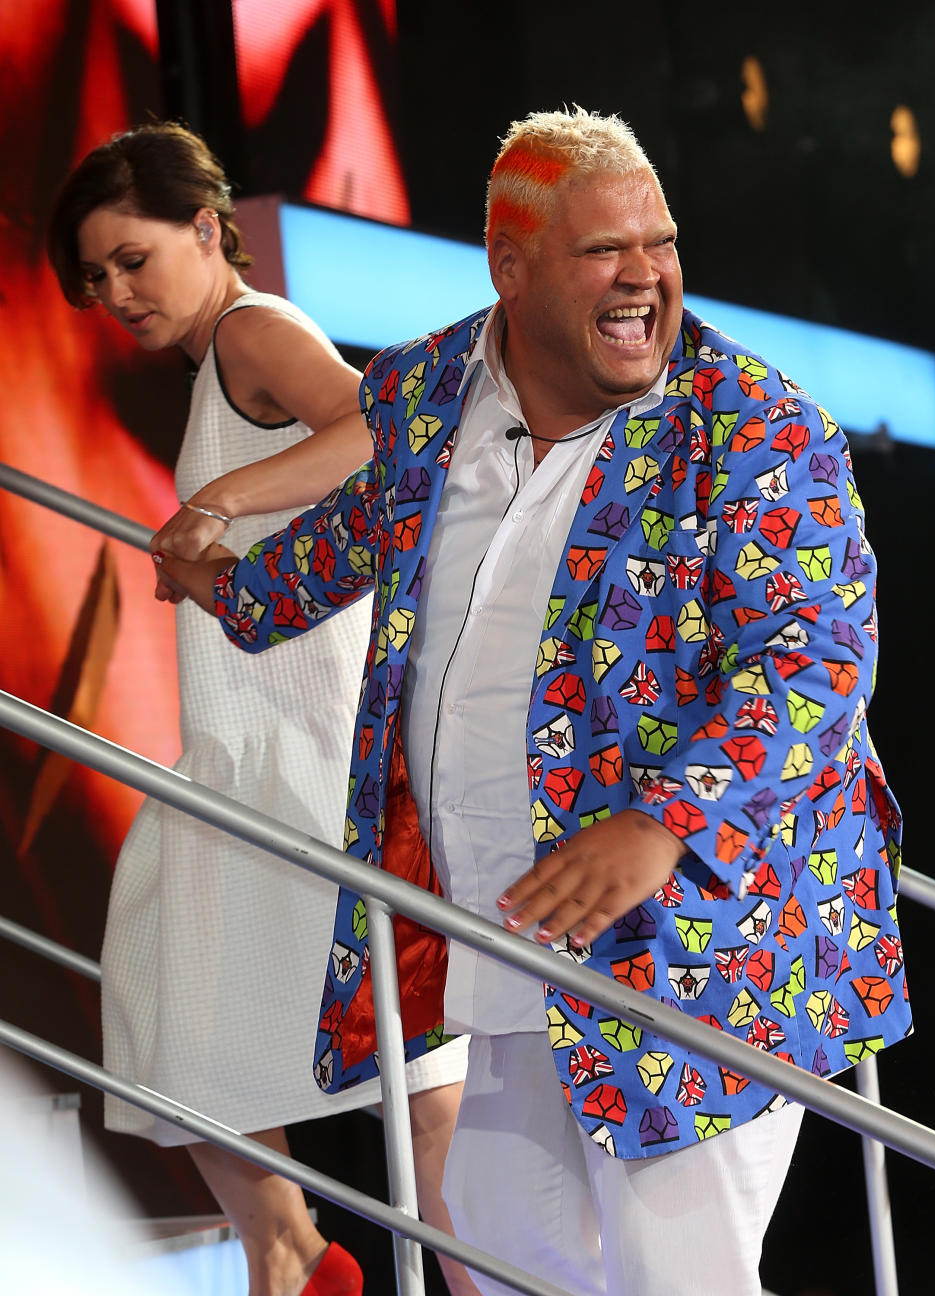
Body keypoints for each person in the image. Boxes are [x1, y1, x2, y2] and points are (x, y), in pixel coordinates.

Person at [158, 107, 912, 1295]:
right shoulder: (429, 392)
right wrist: (231, 587)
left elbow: (812, 663)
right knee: (498, 1246)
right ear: (511, 265)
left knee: (684, 1275)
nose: (645, 277)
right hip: (508, 937)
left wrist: (664, 822)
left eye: (659, 243)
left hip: (700, 953)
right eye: (606, 250)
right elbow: (357, 540)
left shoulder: (759, 430)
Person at [46, 122, 474, 1296]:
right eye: (95, 277)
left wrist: (220, 500)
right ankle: (285, 1249)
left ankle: (304, 1253)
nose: (114, 292)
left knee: (419, 1092)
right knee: (176, 999)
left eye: (131, 259)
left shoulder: (254, 329)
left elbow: (388, 430)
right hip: (258, 753)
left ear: (204, 225)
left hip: (314, 752)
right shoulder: (224, 356)